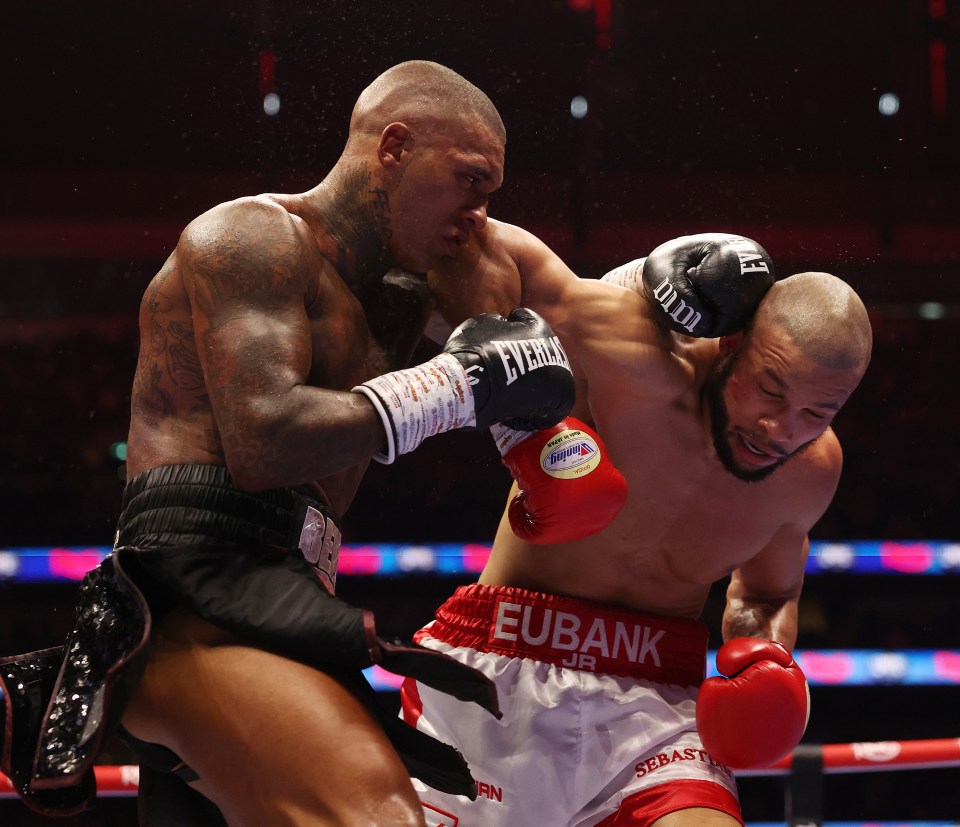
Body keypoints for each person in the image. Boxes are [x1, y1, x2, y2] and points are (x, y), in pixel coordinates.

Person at [0, 62, 577, 826]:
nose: (479, 212)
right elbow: (264, 441)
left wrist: (492, 342)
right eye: (470, 180)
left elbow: (553, 335)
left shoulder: (408, 294)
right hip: (201, 600)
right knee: (378, 818)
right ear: (395, 147)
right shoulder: (252, 238)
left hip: (293, 599)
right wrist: (460, 382)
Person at [400, 221, 873, 825]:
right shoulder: (639, 361)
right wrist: (525, 436)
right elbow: (474, 250)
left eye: (818, 411)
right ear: (732, 343)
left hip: (657, 705)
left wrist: (765, 656)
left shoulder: (812, 472)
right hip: (501, 661)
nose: (782, 428)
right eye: (771, 390)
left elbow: (767, 591)